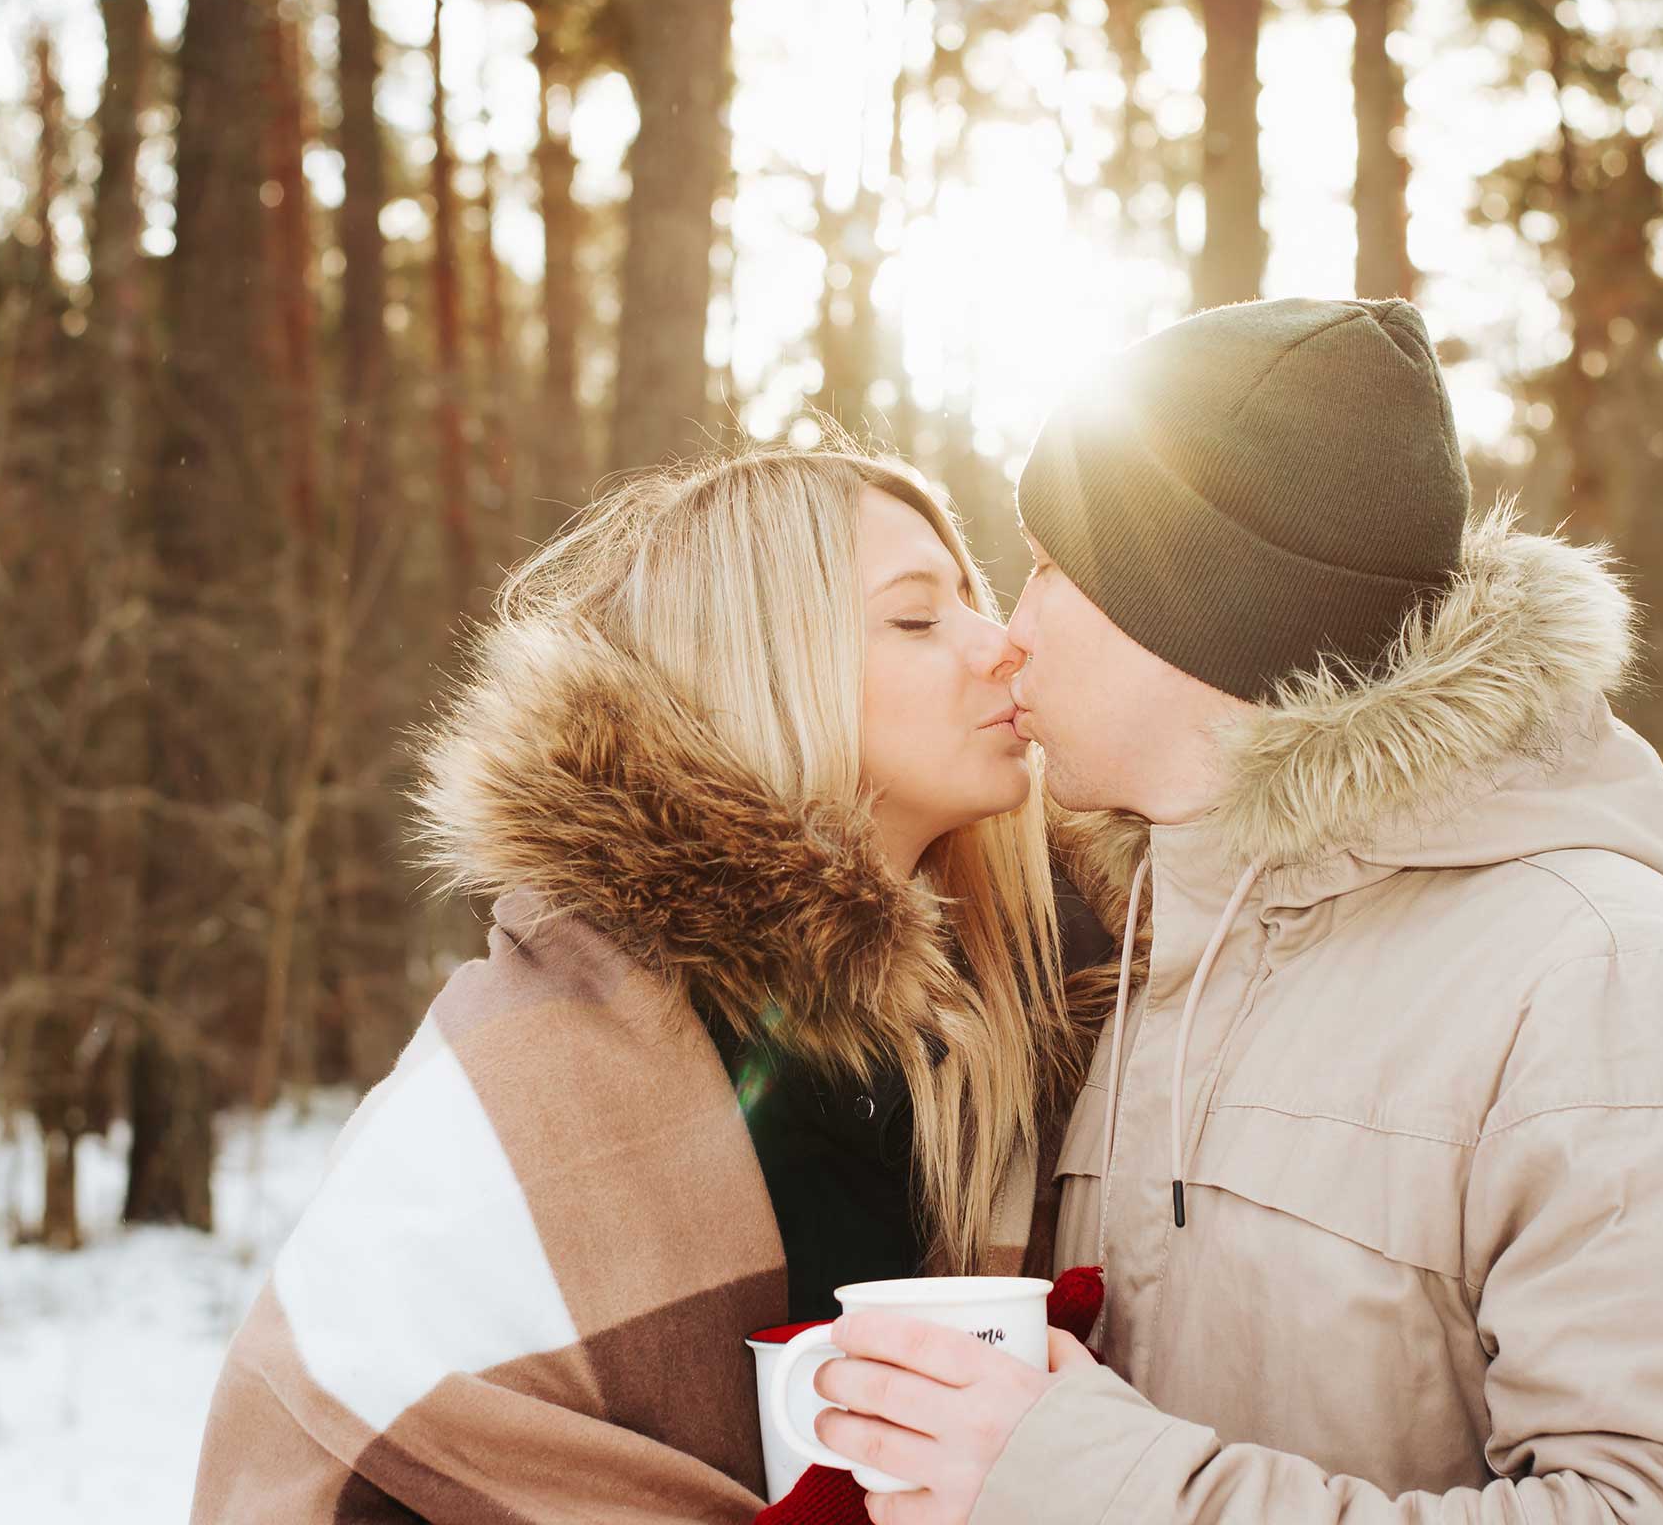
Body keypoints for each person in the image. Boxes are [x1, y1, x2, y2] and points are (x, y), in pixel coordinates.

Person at [798, 298, 1663, 1525]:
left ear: (1195, 612)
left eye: (1047, 570)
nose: (1010, 639)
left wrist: (1078, 1487)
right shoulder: (1140, 957)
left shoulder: (1620, 997)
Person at [188, 448, 1115, 1524]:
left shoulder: (1035, 1004)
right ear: (766, 670)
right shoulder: (542, 1058)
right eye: (916, 618)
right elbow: (334, 1417)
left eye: (973, 599)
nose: (999, 645)